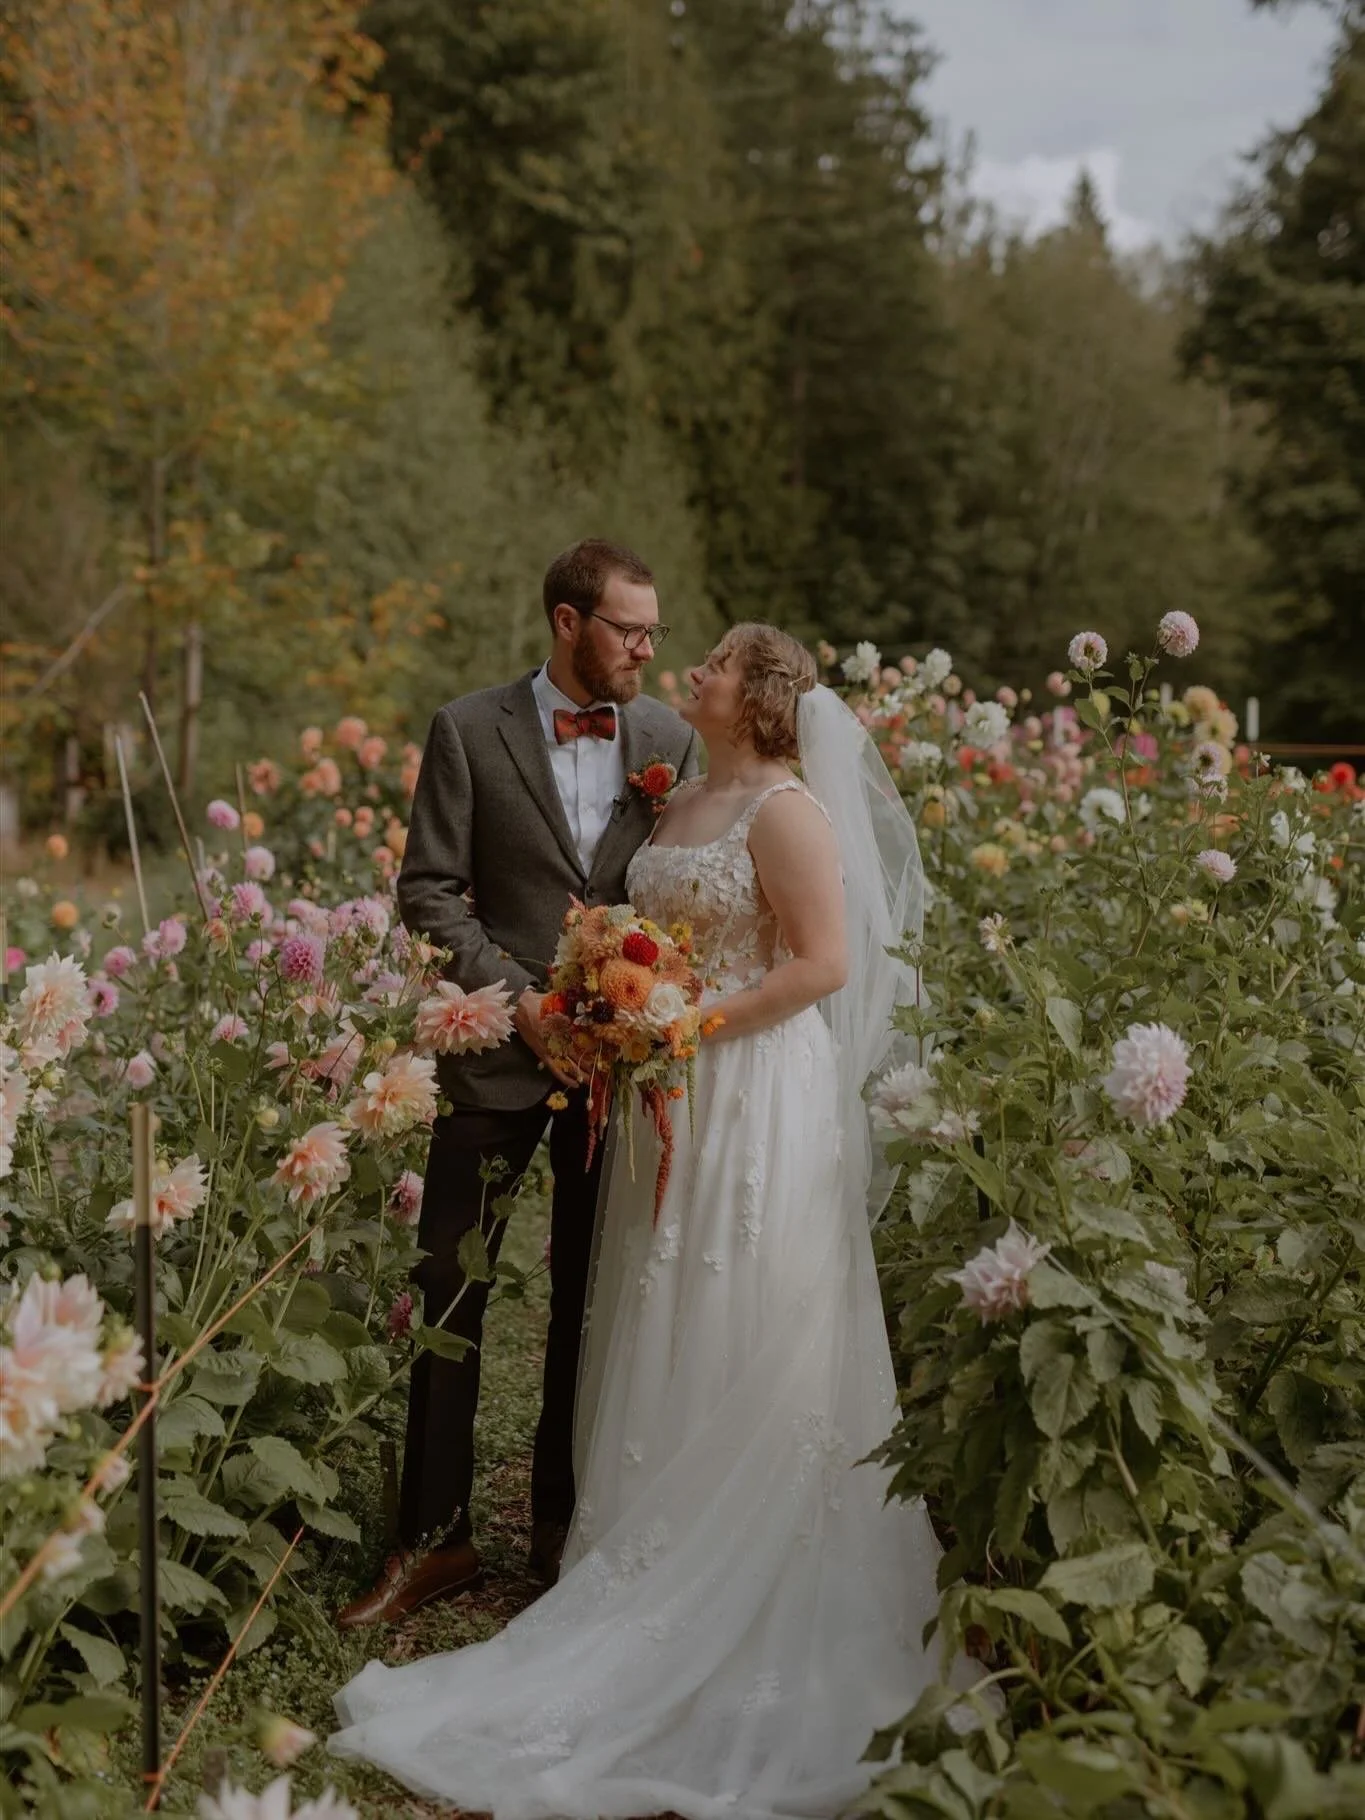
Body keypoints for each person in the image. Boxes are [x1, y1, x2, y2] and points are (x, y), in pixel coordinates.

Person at [332, 623, 975, 1816]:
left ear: (763, 694)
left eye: (718, 661)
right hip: (660, 1091)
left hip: (750, 1092)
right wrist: (611, 992)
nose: (691, 670)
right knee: (655, 1300)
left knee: (745, 1303)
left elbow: (826, 962)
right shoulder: (681, 791)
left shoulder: (783, 810)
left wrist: (687, 1023)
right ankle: (622, 1547)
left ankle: (732, 1578)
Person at [336, 539, 698, 1629]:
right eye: (629, 627)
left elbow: (678, 895)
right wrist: (523, 1003)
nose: (645, 647)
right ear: (565, 622)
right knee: (452, 1291)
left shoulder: (671, 740)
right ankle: (433, 1539)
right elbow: (430, 891)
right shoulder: (467, 728)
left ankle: (563, 1531)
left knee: (595, 1305)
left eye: (652, 630)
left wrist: (635, 1005)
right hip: (494, 1056)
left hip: (618, 1074)